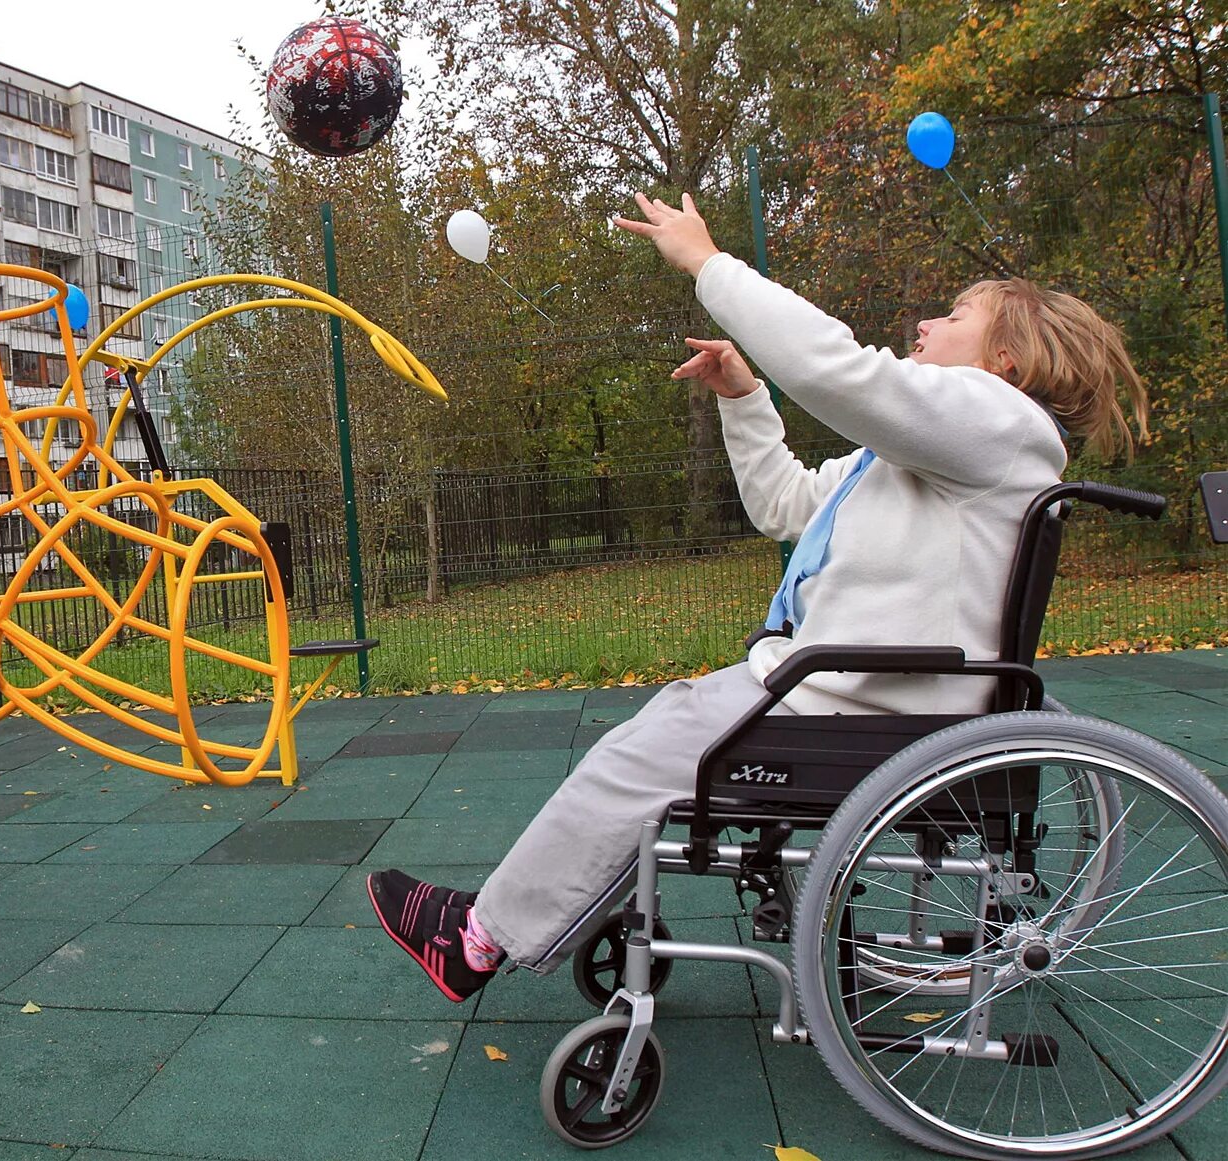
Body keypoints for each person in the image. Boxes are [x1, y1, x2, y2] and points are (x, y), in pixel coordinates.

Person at [368, 191, 1149, 1002]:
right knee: (650, 739)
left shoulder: (996, 420)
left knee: (632, 760)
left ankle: (476, 940)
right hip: (849, 691)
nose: (925, 323)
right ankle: (527, 912)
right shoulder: (928, 453)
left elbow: (836, 368)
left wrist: (707, 263)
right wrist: (743, 398)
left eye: (955, 315)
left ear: (1006, 362)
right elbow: (785, 505)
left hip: (867, 709)